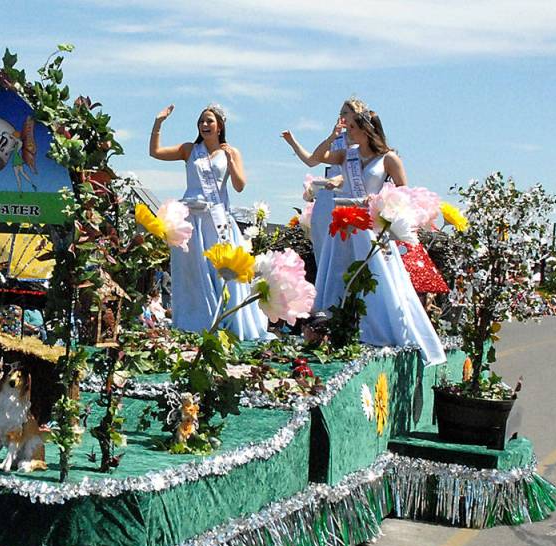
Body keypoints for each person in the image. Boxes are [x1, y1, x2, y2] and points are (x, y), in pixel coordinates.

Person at [307, 109, 445, 365]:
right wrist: (331, 136)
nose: (348, 132)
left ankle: (374, 330)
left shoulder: (388, 158)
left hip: (370, 228)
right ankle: (337, 329)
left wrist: (384, 205)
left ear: (366, 130)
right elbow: (316, 159)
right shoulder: (347, 155)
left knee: (375, 280)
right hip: (344, 225)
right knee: (340, 276)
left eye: (352, 128)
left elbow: (405, 194)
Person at [149, 104, 271, 340]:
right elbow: (155, 152)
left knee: (221, 273)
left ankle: (227, 323)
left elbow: (239, 185)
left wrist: (231, 159)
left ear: (220, 126)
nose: (205, 125)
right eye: (202, 121)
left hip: (217, 222)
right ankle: (196, 322)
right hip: (192, 221)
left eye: (209, 121)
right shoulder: (189, 150)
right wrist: (158, 123)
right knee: (193, 274)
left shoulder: (231, 152)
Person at [281, 98, 368, 311]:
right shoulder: (336, 140)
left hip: (348, 199)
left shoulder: (361, 144)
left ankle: (346, 304)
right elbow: (312, 160)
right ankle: (326, 302)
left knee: (346, 254)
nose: (342, 117)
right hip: (327, 199)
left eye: (346, 113)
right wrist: (293, 142)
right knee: (323, 252)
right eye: (340, 113)